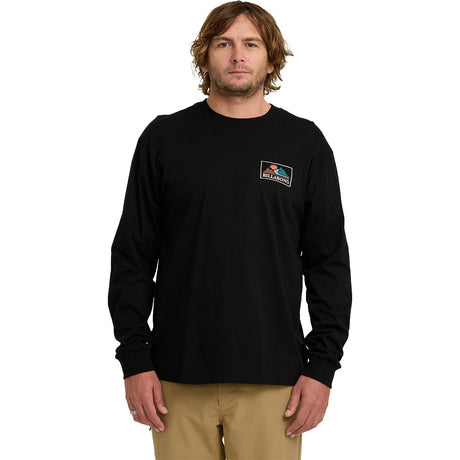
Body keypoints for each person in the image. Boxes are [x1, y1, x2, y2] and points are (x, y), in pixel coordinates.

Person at [107, 1, 352, 459]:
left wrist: (322, 368)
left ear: (271, 59)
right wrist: (134, 359)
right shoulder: (163, 139)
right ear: (205, 57)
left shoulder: (305, 144)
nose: (238, 56)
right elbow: (133, 256)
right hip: (174, 379)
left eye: (251, 44)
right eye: (224, 44)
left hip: (274, 381)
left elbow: (328, 264)